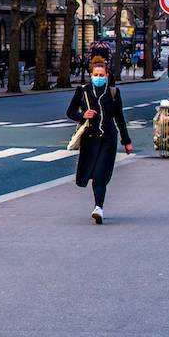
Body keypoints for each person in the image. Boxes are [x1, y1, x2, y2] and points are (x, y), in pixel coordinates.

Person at [66, 58, 132, 224]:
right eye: (96, 74)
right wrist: (82, 115)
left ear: (107, 75)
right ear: (90, 75)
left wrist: (126, 141)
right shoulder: (83, 91)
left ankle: (98, 208)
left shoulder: (113, 93)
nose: (99, 77)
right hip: (90, 140)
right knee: (92, 174)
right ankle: (98, 206)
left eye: (101, 75)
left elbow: (119, 118)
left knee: (100, 174)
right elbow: (70, 111)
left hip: (108, 139)